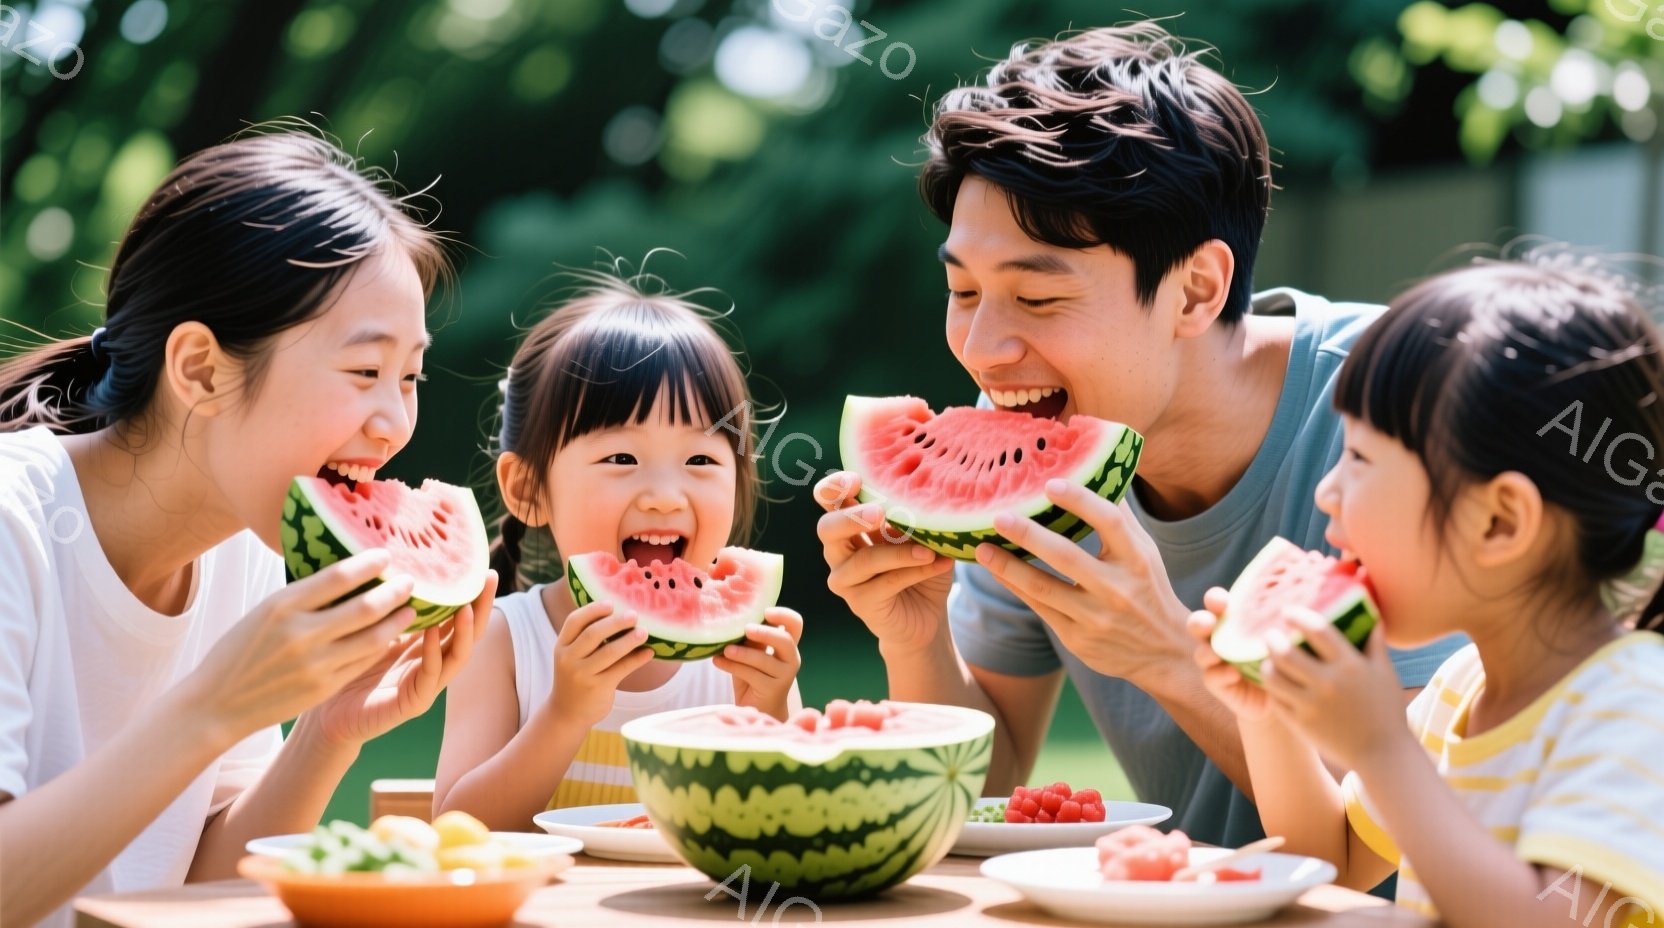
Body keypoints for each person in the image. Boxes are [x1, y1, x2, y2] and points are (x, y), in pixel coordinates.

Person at [814, 21, 1464, 850]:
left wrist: (1168, 659)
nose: (982, 350)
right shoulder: (1034, 444)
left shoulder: (1403, 420)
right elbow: (991, 778)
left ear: (1196, 291)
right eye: (965, 290)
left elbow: (1392, 837)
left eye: (1038, 299)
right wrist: (916, 638)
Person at [0, 128, 495, 928]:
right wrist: (213, 706)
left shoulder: (243, 553)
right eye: (366, 372)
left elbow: (200, 885)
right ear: (199, 368)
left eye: (411, 377)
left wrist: (325, 730)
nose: (395, 422)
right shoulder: (11, 523)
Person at [1190, 257, 1664, 927]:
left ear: (1500, 522)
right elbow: (1333, 858)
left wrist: (1382, 748)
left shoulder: (1631, 709)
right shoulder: (1459, 689)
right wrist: (1266, 712)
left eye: (1359, 460)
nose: (1327, 491)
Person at [433, 269, 803, 830]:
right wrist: (565, 713)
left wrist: (767, 713)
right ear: (529, 490)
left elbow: (787, 826)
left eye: (701, 460)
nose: (663, 496)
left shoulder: (741, 659)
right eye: (621, 460)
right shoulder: (504, 640)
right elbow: (460, 828)